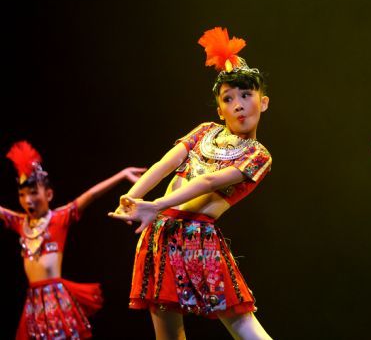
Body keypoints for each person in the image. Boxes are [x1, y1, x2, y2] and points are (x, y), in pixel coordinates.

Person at [110, 27, 272, 340]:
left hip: (200, 239)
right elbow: (163, 164)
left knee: (243, 326)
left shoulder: (257, 155)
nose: (237, 104)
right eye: (229, 98)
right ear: (219, 109)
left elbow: (210, 180)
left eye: (245, 95)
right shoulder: (203, 132)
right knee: (168, 333)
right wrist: (130, 198)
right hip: (161, 235)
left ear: (263, 103)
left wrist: (155, 205)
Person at [0, 140, 145, 339]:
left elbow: (92, 195)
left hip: (57, 299)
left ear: (49, 194)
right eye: (22, 195)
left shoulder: (59, 218)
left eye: (33, 193)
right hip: (33, 303)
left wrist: (122, 175)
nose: (28, 200)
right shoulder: (20, 223)